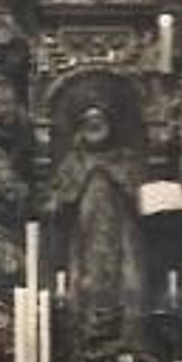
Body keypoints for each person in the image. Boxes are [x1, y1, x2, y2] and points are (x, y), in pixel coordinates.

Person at [54, 96, 146, 346]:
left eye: (99, 119)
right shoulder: (73, 162)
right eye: (88, 120)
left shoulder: (125, 159)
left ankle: (126, 342)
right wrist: (82, 180)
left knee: (125, 283)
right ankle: (84, 339)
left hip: (121, 237)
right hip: (83, 238)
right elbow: (57, 202)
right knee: (84, 285)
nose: (94, 125)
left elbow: (140, 197)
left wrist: (114, 177)